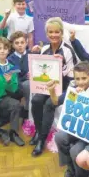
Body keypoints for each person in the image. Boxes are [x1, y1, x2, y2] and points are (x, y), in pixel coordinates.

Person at [29, 17, 77, 157]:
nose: (54, 35)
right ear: (47, 33)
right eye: (50, 32)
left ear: (62, 33)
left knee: (50, 103)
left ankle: (41, 140)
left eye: (57, 32)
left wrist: (60, 67)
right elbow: (41, 71)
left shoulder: (67, 51)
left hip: (65, 86)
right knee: (36, 100)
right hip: (47, 86)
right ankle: (38, 131)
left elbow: (73, 77)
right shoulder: (44, 49)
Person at [52, 61, 89, 177]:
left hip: (88, 135)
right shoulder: (73, 90)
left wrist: (84, 97)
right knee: (59, 136)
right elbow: (56, 101)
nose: (80, 82)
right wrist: (51, 90)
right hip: (74, 129)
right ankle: (70, 167)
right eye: (77, 79)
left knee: (75, 150)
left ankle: (81, 174)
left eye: (84, 78)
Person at [7, 31, 31, 121]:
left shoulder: (31, 55)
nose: (20, 45)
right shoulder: (10, 60)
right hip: (19, 86)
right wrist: (26, 77)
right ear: (12, 45)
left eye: (22, 42)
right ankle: (27, 113)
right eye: (17, 43)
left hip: (34, 85)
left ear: (26, 43)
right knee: (27, 85)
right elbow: (16, 79)